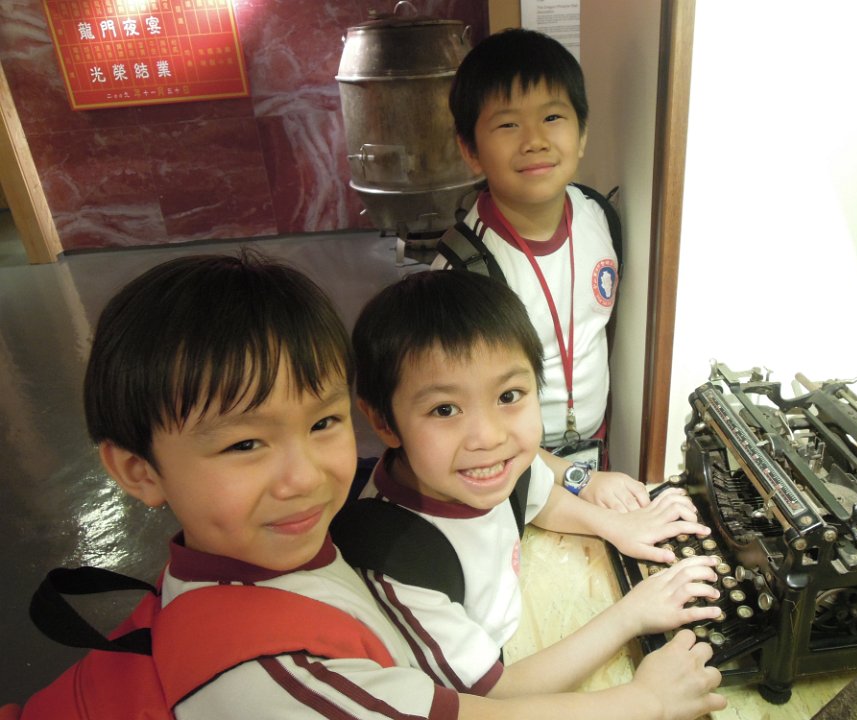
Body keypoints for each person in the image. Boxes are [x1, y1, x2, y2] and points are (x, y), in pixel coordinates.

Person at [79, 250, 724, 720]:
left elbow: (529, 485)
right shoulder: (269, 679)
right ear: (139, 470)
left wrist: (610, 517)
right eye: (245, 444)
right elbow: (478, 710)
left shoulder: (293, 544)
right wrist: (645, 698)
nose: (305, 478)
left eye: (322, 423)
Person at [351, 269, 724, 701]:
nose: (489, 437)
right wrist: (631, 616)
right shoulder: (395, 564)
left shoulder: (488, 470)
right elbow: (495, 697)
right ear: (383, 421)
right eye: (445, 409)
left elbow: (539, 496)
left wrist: (614, 525)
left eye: (508, 396)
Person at [433, 27, 646, 512]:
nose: (534, 141)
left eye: (552, 117)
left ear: (582, 133)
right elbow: (467, 423)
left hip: (593, 453)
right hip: (506, 472)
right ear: (470, 149)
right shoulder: (464, 272)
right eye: (508, 124)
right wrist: (575, 478)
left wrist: (588, 471)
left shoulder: (600, 215)